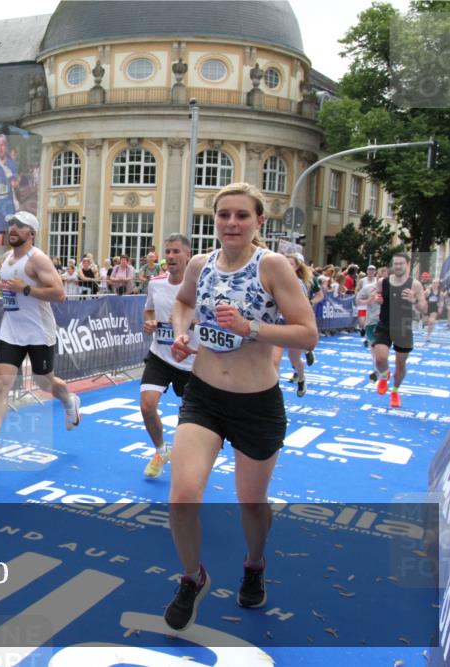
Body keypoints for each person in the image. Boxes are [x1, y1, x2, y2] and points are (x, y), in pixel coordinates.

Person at [164, 182, 317, 631]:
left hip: (256, 404)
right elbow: (184, 301)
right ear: (214, 219)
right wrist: (180, 331)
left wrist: (252, 327)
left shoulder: (271, 266)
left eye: (242, 216)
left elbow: (307, 333)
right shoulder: (199, 263)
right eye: (224, 215)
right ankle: (192, 577)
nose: (232, 223)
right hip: (205, 397)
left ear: (258, 222)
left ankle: (254, 563)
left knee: (251, 503)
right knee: (182, 497)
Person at [0, 211, 81, 464]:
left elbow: (59, 294)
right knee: (1, 385)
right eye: (11, 224)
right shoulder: (6, 258)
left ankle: (69, 399)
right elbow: (10, 288)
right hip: (11, 329)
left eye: (20, 226)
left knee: (44, 383)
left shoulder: (38, 260)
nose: (13, 228)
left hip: (38, 331)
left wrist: (24, 288)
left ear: (31, 234)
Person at [139, 233, 195, 479]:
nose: (171, 257)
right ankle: (161, 451)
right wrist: (149, 323)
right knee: (147, 405)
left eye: (176, 252)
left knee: (191, 420)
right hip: (160, 355)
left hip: (190, 361)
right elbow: (148, 310)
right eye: (168, 252)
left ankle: (188, 461)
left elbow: (212, 321)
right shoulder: (156, 283)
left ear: (188, 255)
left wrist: (187, 323)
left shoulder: (199, 286)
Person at [372, 253, 428, 408]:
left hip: (404, 327)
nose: (398, 266)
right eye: (395, 264)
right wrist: (378, 300)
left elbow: (424, 308)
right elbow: (376, 298)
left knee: (400, 363)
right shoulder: (382, 282)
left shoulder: (415, 285)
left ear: (407, 265)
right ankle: (384, 375)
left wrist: (414, 300)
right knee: (380, 359)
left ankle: (395, 391)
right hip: (385, 324)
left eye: (401, 264)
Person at [272, 253, 314, 398]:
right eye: (285, 263)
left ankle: (301, 378)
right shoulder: (274, 280)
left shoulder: (299, 283)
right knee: (274, 361)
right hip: (278, 324)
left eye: (291, 264)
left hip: (293, 325)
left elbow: (303, 306)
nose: (287, 267)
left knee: (294, 359)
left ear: (296, 267)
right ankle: (272, 395)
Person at [0, 135, 19, 245]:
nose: (1, 148)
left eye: (3, 145)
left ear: (6, 147)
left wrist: (10, 178)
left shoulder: (12, 164)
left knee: (11, 233)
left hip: (9, 203)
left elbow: (16, 184)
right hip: (0, 204)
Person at [356, 265, 378, 346]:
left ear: (375, 271)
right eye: (369, 269)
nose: (371, 271)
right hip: (363, 304)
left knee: (369, 322)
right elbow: (357, 290)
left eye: (373, 269)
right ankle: (363, 330)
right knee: (362, 323)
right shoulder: (362, 280)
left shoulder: (377, 280)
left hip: (372, 305)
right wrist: (361, 296)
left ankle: (367, 339)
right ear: (367, 271)